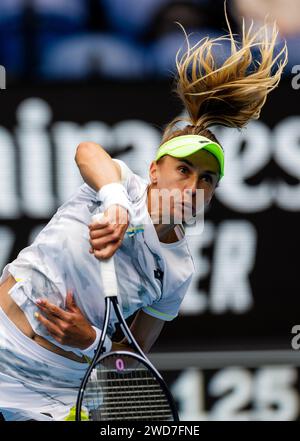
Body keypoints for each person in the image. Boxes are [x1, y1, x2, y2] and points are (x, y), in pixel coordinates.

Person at [0, 14, 287, 420]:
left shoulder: (177, 270)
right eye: (183, 170)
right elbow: (87, 152)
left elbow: (129, 359)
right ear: (155, 171)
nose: (192, 186)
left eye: (207, 179)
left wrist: (88, 341)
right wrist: (114, 201)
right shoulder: (118, 185)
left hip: (53, 392)